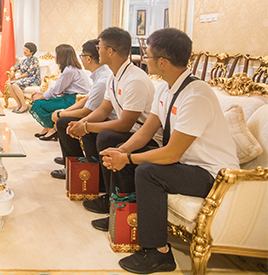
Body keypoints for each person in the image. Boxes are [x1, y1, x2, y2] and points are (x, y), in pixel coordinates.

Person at [101, 28, 239, 274]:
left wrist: (128, 158)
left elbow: (172, 153)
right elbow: (146, 132)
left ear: (162, 61)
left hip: (213, 175)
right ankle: (121, 218)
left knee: (147, 172)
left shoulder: (196, 95)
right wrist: (120, 152)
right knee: (130, 160)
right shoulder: (166, 88)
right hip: (188, 165)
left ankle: (159, 253)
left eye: (148, 56)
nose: (145, 60)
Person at [66, 27, 162, 232]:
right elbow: (103, 110)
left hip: (147, 137)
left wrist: (87, 126)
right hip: (132, 130)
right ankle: (103, 186)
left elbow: (126, 124)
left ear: (110, 51)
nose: (97, 51)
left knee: (105, 137)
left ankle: (115, 201)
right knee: (93, 133)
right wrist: (82, 124)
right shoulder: (114, 76)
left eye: (99, 47)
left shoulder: (135, 79)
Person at [49, 39, 115, 179]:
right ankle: (70, 159)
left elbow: (86, 111)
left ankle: (75, 166)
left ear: (89, 59)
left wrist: (61, 114)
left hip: (107, 119)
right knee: (64, 119)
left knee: (64, 122)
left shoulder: (103, 79)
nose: (81, 59)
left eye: (82, 56)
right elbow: (87, 99)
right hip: (99, 114)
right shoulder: (100, 74)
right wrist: (63, 112)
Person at [30, 44, 90, 140]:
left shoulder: (69, 70)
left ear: (62, 56)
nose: (54, 56)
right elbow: (59, 89)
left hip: (72, 101)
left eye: (56, 54)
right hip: (68, 98)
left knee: (38, 103)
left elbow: (56, 90)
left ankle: (52, 129)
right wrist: (42, 94)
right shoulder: (72, 68)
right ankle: (47, 127)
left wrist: (41, 96)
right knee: (43, 101)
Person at [8, 42, 41, 114]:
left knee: (14, 84)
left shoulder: (34, 60)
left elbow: (29, 73)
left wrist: (17, 78)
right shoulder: (24, 61)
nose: (24, 51)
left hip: (33, 79)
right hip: (25, 79)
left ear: (31, 52)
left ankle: (24, 105)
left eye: (26, 50)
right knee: (9, 84)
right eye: (24, 49)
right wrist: (12, 71)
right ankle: (19, 104)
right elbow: (15, 66)